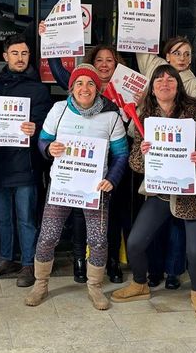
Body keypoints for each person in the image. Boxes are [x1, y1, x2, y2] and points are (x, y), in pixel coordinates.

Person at [111, 65, 196, 320]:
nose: (164, 82)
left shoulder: (194, 110)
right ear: (152, 86)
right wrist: (145, 153)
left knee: (195, 250)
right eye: (159, 79)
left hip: (195, 191)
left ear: (178, 85)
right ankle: (140, 283)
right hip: (161, 189)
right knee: (136, 241)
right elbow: (135, 162)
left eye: (170, 79)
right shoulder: (145, 114)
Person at [24, 64, 128, 310]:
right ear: (71, 88)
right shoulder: (59, 110)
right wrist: (49, 149)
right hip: (62, 185)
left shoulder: (111, 116)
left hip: (96, 188)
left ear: (98, 88)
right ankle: (40, 284)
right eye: (79, 83)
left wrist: (111, 179)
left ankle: (94, 287)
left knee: (99, 240)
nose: (85, 88)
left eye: (90, 83)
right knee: (48, 236)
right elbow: (43, 141)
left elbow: (122, 155)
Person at [46, 42, 135, 284]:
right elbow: (59, 71)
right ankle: (79, 261)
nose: (105, 64)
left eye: (110, 60)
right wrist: (51, 39)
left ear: (117, 65)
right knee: (78, 214)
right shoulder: (78, 91)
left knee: (111, 215)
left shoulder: (127, 89)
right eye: (100, 60)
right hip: (78, 165)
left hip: (114, 161)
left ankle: (112, 261)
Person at [0, 34, 52, 287]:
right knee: (3, 217)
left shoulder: (39, 88)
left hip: (26, 164)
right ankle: (5, 259)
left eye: (24, 54)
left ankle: (28, 264)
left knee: (26, 217)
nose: (20, 58)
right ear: (5, 56)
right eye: (15, 53)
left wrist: (37, 128)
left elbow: (48, 127)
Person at [131, 0, 196, 102]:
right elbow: (142, 38)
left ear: (190, 59)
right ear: (167, 56)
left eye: (187, 54)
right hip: (143, 118)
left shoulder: (194, 84)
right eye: (177, 53)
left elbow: (194, 113)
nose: (182, 58)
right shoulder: (154, 64)